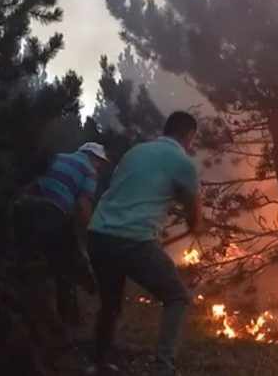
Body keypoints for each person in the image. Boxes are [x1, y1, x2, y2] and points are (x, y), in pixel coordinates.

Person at [87, 111, 203, 376]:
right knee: (177, 297)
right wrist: (197, 225)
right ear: (189, 136)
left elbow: (126, 189)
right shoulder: (182, 162)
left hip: (98, 234)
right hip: (132, 241)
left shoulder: (136, 152)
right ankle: (163, 368)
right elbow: (194, 212)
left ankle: (98, 364)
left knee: (110, 305)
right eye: (193, 139)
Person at [26, 141, 108, 324]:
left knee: (31, 262)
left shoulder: (59, 156)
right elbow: (84, 204)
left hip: (27, 208)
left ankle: (29, 309)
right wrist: (91, 232)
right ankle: (70, 318)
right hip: (53, 214)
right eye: (100, 162)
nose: (100, 166)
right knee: (65, 266)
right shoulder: (89, 170)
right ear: (92, 157)